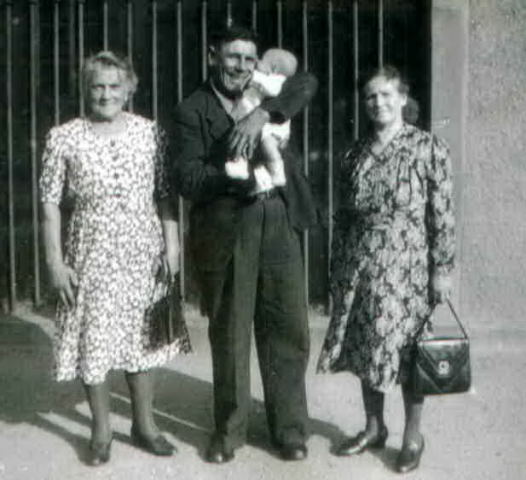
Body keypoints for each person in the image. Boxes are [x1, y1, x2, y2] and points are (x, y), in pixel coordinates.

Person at [172, 25, 318, 463]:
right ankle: (229, 431)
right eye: (232, 57)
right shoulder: (192, 109)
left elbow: (307, 81)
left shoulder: (268, 90)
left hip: (278, 219)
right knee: (231, 331)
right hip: (229, 225)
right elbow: (187, 178)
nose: (241, 66)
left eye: (249, 58)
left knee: (287, 325)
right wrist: (235, 179)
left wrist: (261, 115)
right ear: (213, 56)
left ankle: (289, 429)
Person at [40, 51, 191, 466]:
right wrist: (55, 262)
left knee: (142, 337)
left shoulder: (150, 133)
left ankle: (145, 425)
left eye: (114, 86)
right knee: (95, 337)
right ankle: (101, 430)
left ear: (129, 90)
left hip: (143, 251)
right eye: (97, 86)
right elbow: (50, 203)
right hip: (90, 252)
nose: (106, 94)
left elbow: (165, 194)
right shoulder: (64, 137)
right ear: (85, 90)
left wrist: (172, 247)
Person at [317, 65, 455, 474]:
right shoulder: (354, 154)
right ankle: (374, 427)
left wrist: (442, 268)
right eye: (370, 96)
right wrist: (338, 266)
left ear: (402, 98)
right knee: (366, 345)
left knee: (410, 352)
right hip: (361, 264)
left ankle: (412, 436)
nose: (378, 103)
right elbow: (344, 216)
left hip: (408, 266)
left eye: (386, 94)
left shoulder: (428, 148)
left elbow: (443, 214)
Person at [225, 47, 298, 189]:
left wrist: (254, 78)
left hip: (271, 129)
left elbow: (273, 90)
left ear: (274, 68)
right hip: (254, 125)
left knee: (269, 149)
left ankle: (277, 172)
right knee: (244, 144)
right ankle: (240, 166)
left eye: (262, 60)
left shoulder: (277, 80)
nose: (257, 61)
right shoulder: (262, 78)